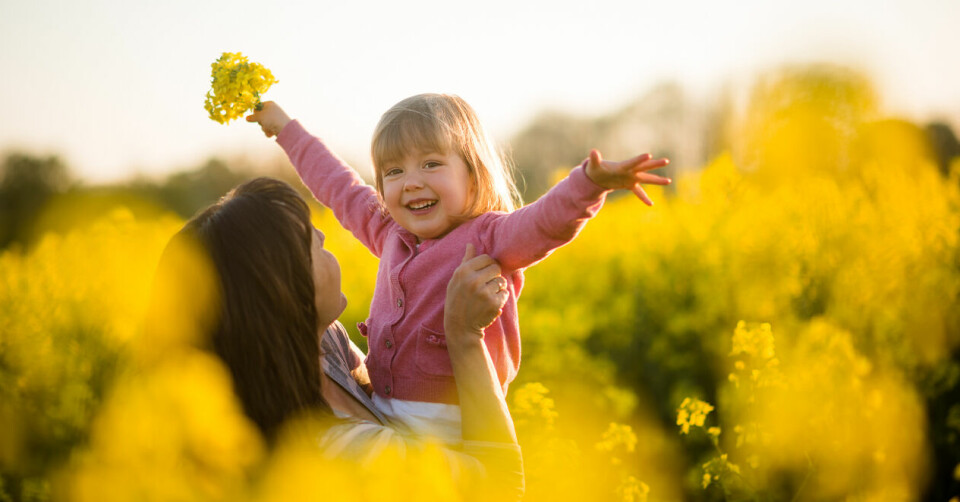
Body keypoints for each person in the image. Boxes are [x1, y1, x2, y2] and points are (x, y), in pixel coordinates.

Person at [246, 94, 671, 442]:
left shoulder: (489, 237)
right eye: (394, 171)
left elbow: (544, 223)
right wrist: (285, 128)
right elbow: (339, 185)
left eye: (431, 164)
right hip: (384, 416)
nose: (411, 181)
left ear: (473, 174)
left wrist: (589, 184)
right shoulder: (389, 232)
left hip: (457, 429)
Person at [152, 177, 523, 499]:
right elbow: (500, 485)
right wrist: (463, 337)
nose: (326, 237)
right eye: (315, 245)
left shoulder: (324, 345)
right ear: (283, 291)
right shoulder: (339, 450)